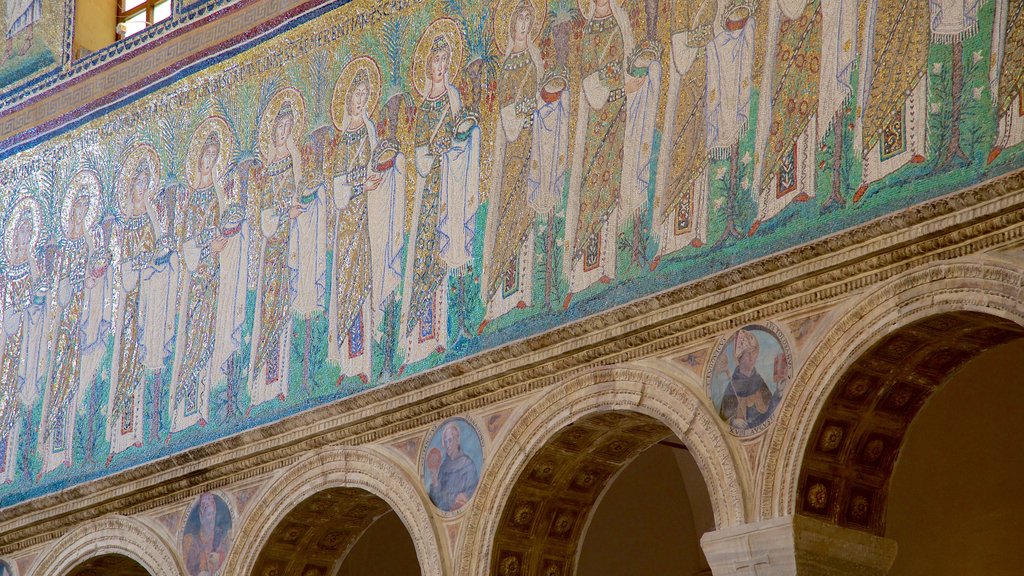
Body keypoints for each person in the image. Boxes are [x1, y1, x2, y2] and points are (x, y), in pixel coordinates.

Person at [401, 21, 480, 366]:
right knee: (428, 255)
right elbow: (418, 157)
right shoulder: (423, 107)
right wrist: (434, 153)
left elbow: (462, 131)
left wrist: (464, 136)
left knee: (454, 249)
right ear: (427, 65)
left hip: (452, 184)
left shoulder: (453, 97)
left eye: (445, 60)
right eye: (436, 60)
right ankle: (425, 335)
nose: (441, 66)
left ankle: (456, 325)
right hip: (430, 190)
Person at [250, 92, 304, 406]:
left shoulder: (291, 156)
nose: (283, 131)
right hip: (272, 248)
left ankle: (280, 380)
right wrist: (284, 213)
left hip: (289, 244)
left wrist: (295, 156)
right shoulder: (268, 166)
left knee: (284, 308)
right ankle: (262, 385)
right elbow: (264, 215)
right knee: (268, 308)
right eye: (279, 126)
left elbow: (298, 188)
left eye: (288, 126)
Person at [719, 329, 775, 431]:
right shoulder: (732, 387)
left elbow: (773, 410)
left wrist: (779, 394)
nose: (751, 358)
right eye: (747, 354)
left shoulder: (760, 382)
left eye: (753, 352)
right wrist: (733, 422)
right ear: (739, 358)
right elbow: (721, 420)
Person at [428, 422, 479, 511]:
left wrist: (465, 496)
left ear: (457, 440)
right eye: (445, 441)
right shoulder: (443, 468)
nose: (447, 445)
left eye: (450, 440)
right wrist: (435, 483)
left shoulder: (468, 464)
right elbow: (437, 500)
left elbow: (473, 492)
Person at [183, 493, 230, 576]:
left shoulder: (222, 536)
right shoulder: (190, 541)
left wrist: (219, 558)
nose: (212, 519)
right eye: (209, 514)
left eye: (213, 514)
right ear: (201, 516)